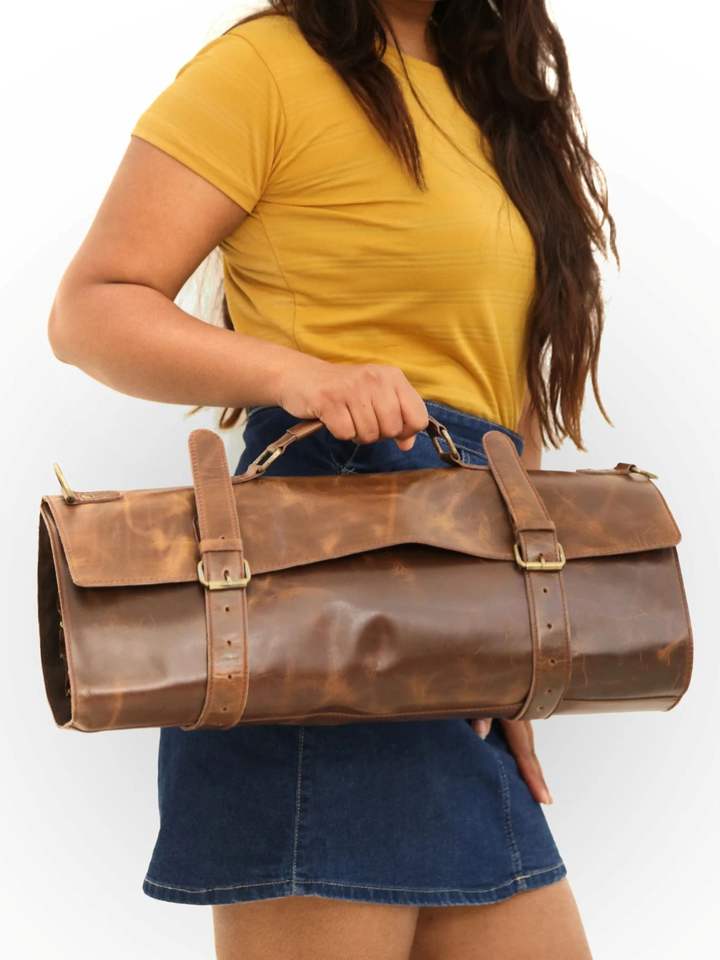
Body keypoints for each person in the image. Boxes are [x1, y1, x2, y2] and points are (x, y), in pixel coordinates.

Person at [48, 1, 616, 957]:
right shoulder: (265, 68)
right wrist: (299, 375)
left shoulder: (496, 97)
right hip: (319, 605)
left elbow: (496, 396)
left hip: (458, 600)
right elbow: (90, 308)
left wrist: (513, 639)